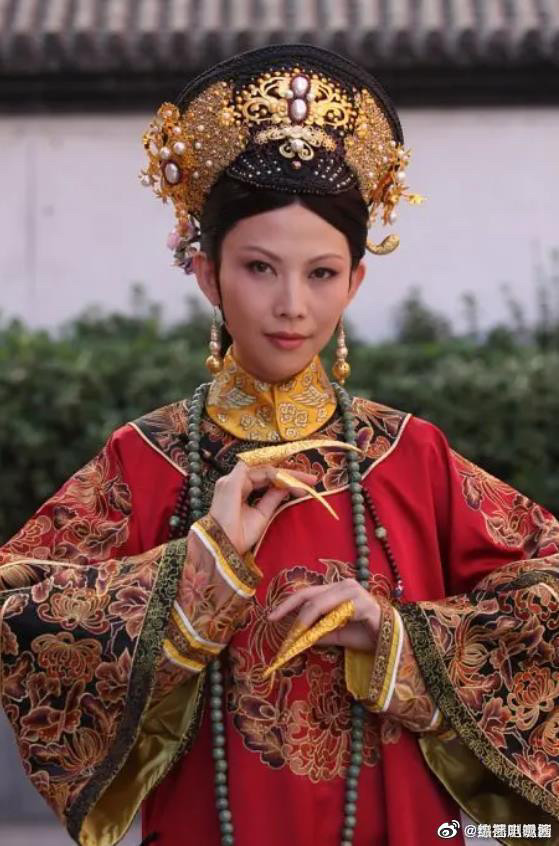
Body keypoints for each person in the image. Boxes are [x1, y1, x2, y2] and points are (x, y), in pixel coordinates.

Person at [1, 43, 558, 846]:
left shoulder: (411, 456)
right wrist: (202, 567)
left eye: (321, 273)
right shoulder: (147, 458)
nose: (291, 305)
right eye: (260, 268)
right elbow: (18, 611)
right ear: (207, 274)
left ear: (355, 281)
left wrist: (400, 639)